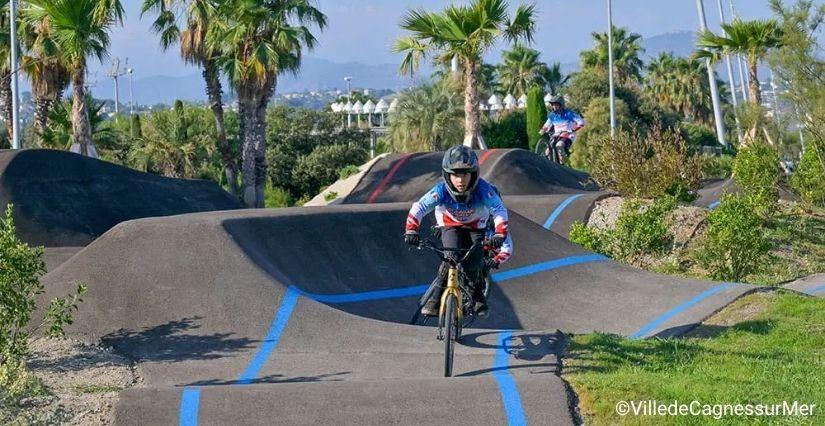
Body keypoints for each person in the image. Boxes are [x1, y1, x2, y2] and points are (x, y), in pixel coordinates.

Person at [404, 145, 510, 318]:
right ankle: (436, 298)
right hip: (449, 226)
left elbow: (499, 209)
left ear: (474, 174)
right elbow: (419, 207)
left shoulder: (483, 190)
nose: (460, 180)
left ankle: (477, 296)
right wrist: (411, 230)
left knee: (472, 263)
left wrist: (499, 233)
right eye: (455, 174)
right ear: (447, 175)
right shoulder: (440, 190)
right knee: (450, 257)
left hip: (476, 228)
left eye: (465, 174)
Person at [540, 94, 585, 164]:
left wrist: (573, 129)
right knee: (547, 150)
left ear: (561, 105)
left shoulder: (569, 113)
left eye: (556, 105)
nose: (554, 107)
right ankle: (548, 165)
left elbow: (581, 122)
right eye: (553, 105)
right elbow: (547, 124)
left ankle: (562, 164)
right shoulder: (552, 115)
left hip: (568, 134)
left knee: (559, 145)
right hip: (556, 134)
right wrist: (543, 130)